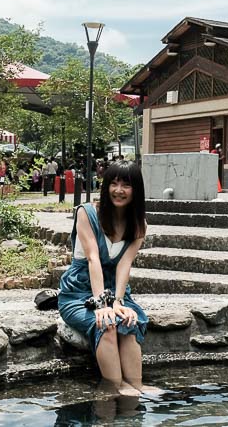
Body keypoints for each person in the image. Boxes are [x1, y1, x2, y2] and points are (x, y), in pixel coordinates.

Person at [58, 161, 150, 396]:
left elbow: (124, 264)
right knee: (106, 324)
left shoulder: (139, 224)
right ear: (106, 186)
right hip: (79, 292)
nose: (118, 190)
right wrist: (102, 304)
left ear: (136, 190)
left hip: (115, 290)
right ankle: (115, 388)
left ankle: (136, 385)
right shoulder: (86, 213)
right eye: (114, 183)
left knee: (128, 322)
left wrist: (118, 302)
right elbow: (93, 259)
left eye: (126, 185)